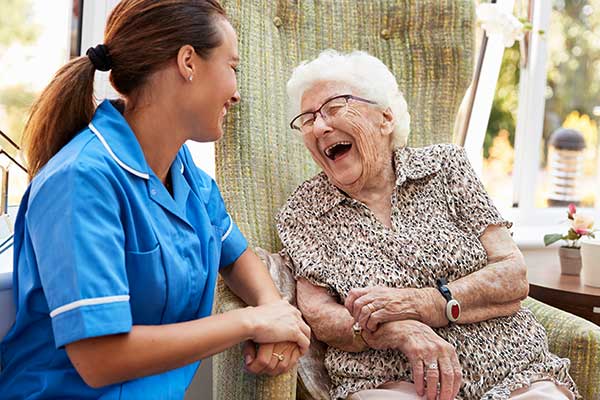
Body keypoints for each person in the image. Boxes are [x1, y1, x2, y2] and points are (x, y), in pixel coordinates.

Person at [0, 1, 310, 398]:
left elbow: (235, 254)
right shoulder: (81, 180)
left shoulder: (181, 170)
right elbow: (100, 358)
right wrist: (252, 322)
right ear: (188, 62)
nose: (236, 93)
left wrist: (274, 310)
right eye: (233, 68)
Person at [277, 50, 578, 400]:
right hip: (389, 379)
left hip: (512, 368)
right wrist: (402, 331)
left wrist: (423, 304)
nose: (320, 126)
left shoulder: (446, 167)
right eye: (308, 119)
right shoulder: (304, 209)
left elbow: (512, 275)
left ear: (385, 118)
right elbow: (321, 316)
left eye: (333, 108)